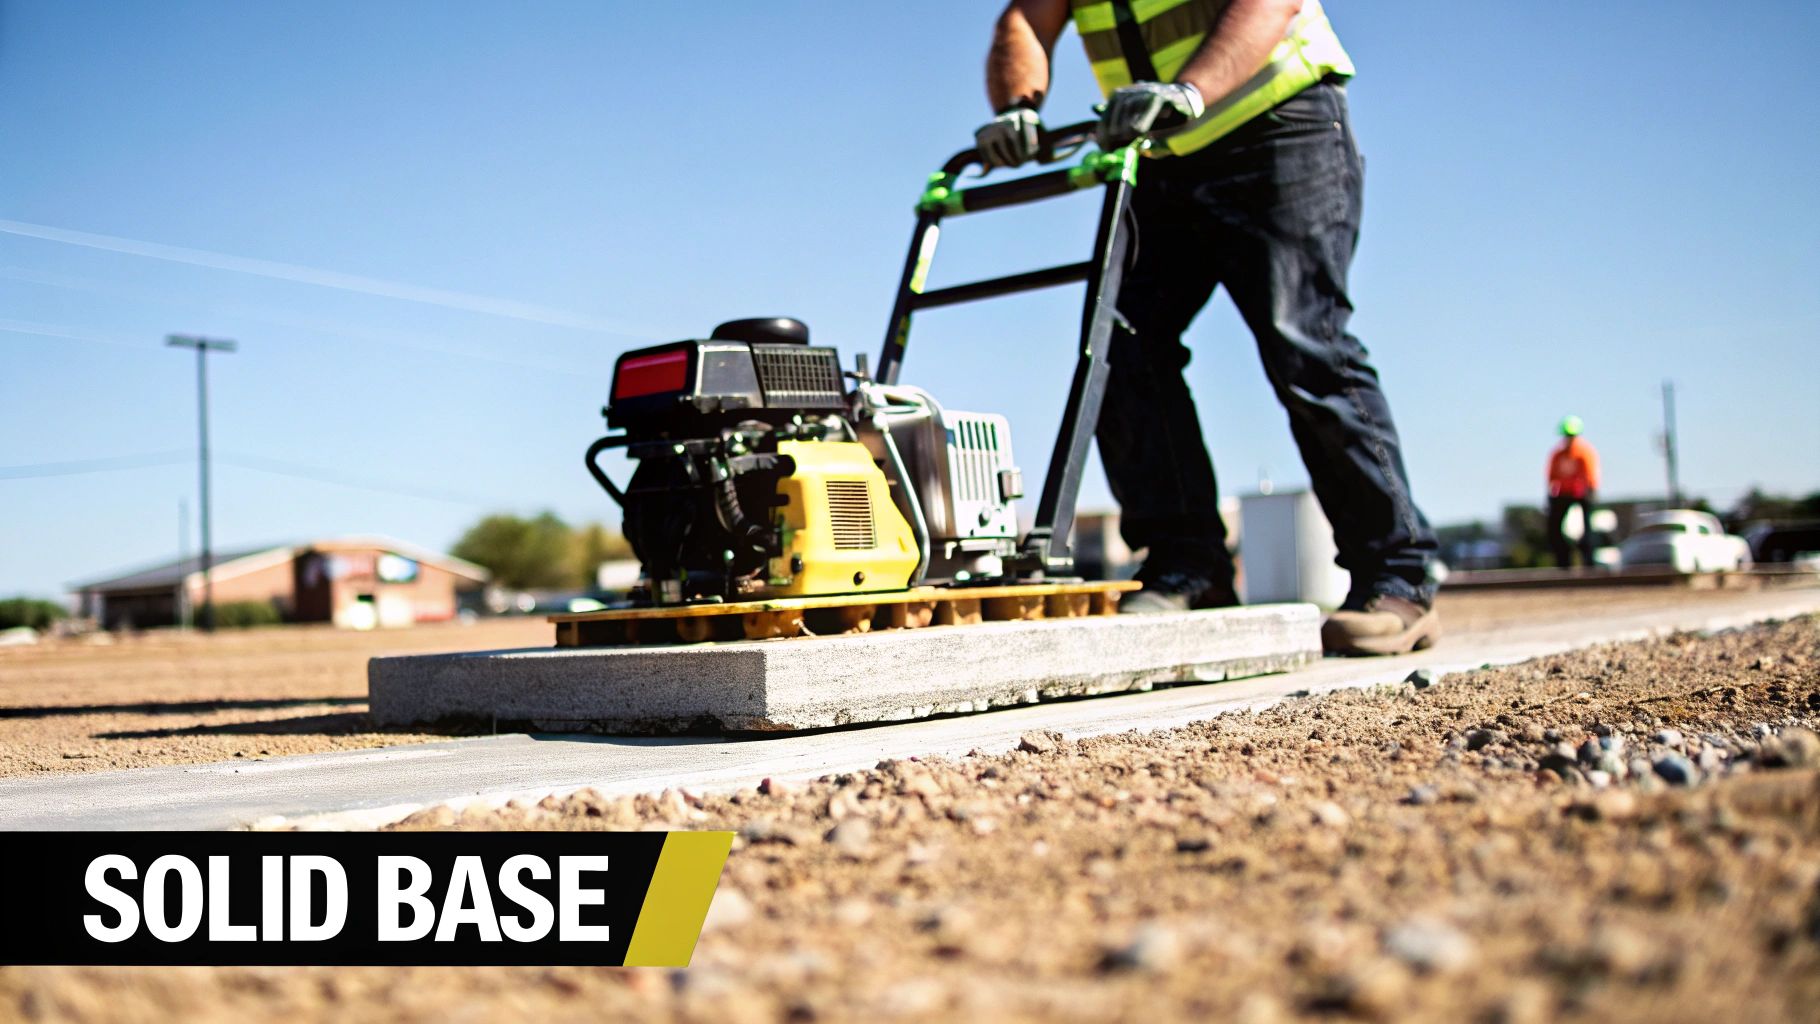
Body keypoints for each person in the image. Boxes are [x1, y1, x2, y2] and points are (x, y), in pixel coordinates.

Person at [975, 0, 1439, 655]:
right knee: (1121, 346)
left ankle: (1398, 578)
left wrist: (1191, 90)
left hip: (1277, 120)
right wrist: (1016, 106)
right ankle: (1188, 569)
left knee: (1306, 342)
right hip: (1161, 153)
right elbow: (1026, 18)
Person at [1546, 415, 1601, 568]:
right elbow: (1551, 476)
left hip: (1581, 494)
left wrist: (1591, 491)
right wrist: (1550, 494)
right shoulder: (1557, 454)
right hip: (1562, 494)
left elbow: (1590, 474)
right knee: (1554, 530)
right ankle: (1563, 562)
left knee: (1587, 529)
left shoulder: (1584, 452)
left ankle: (1589, 563)